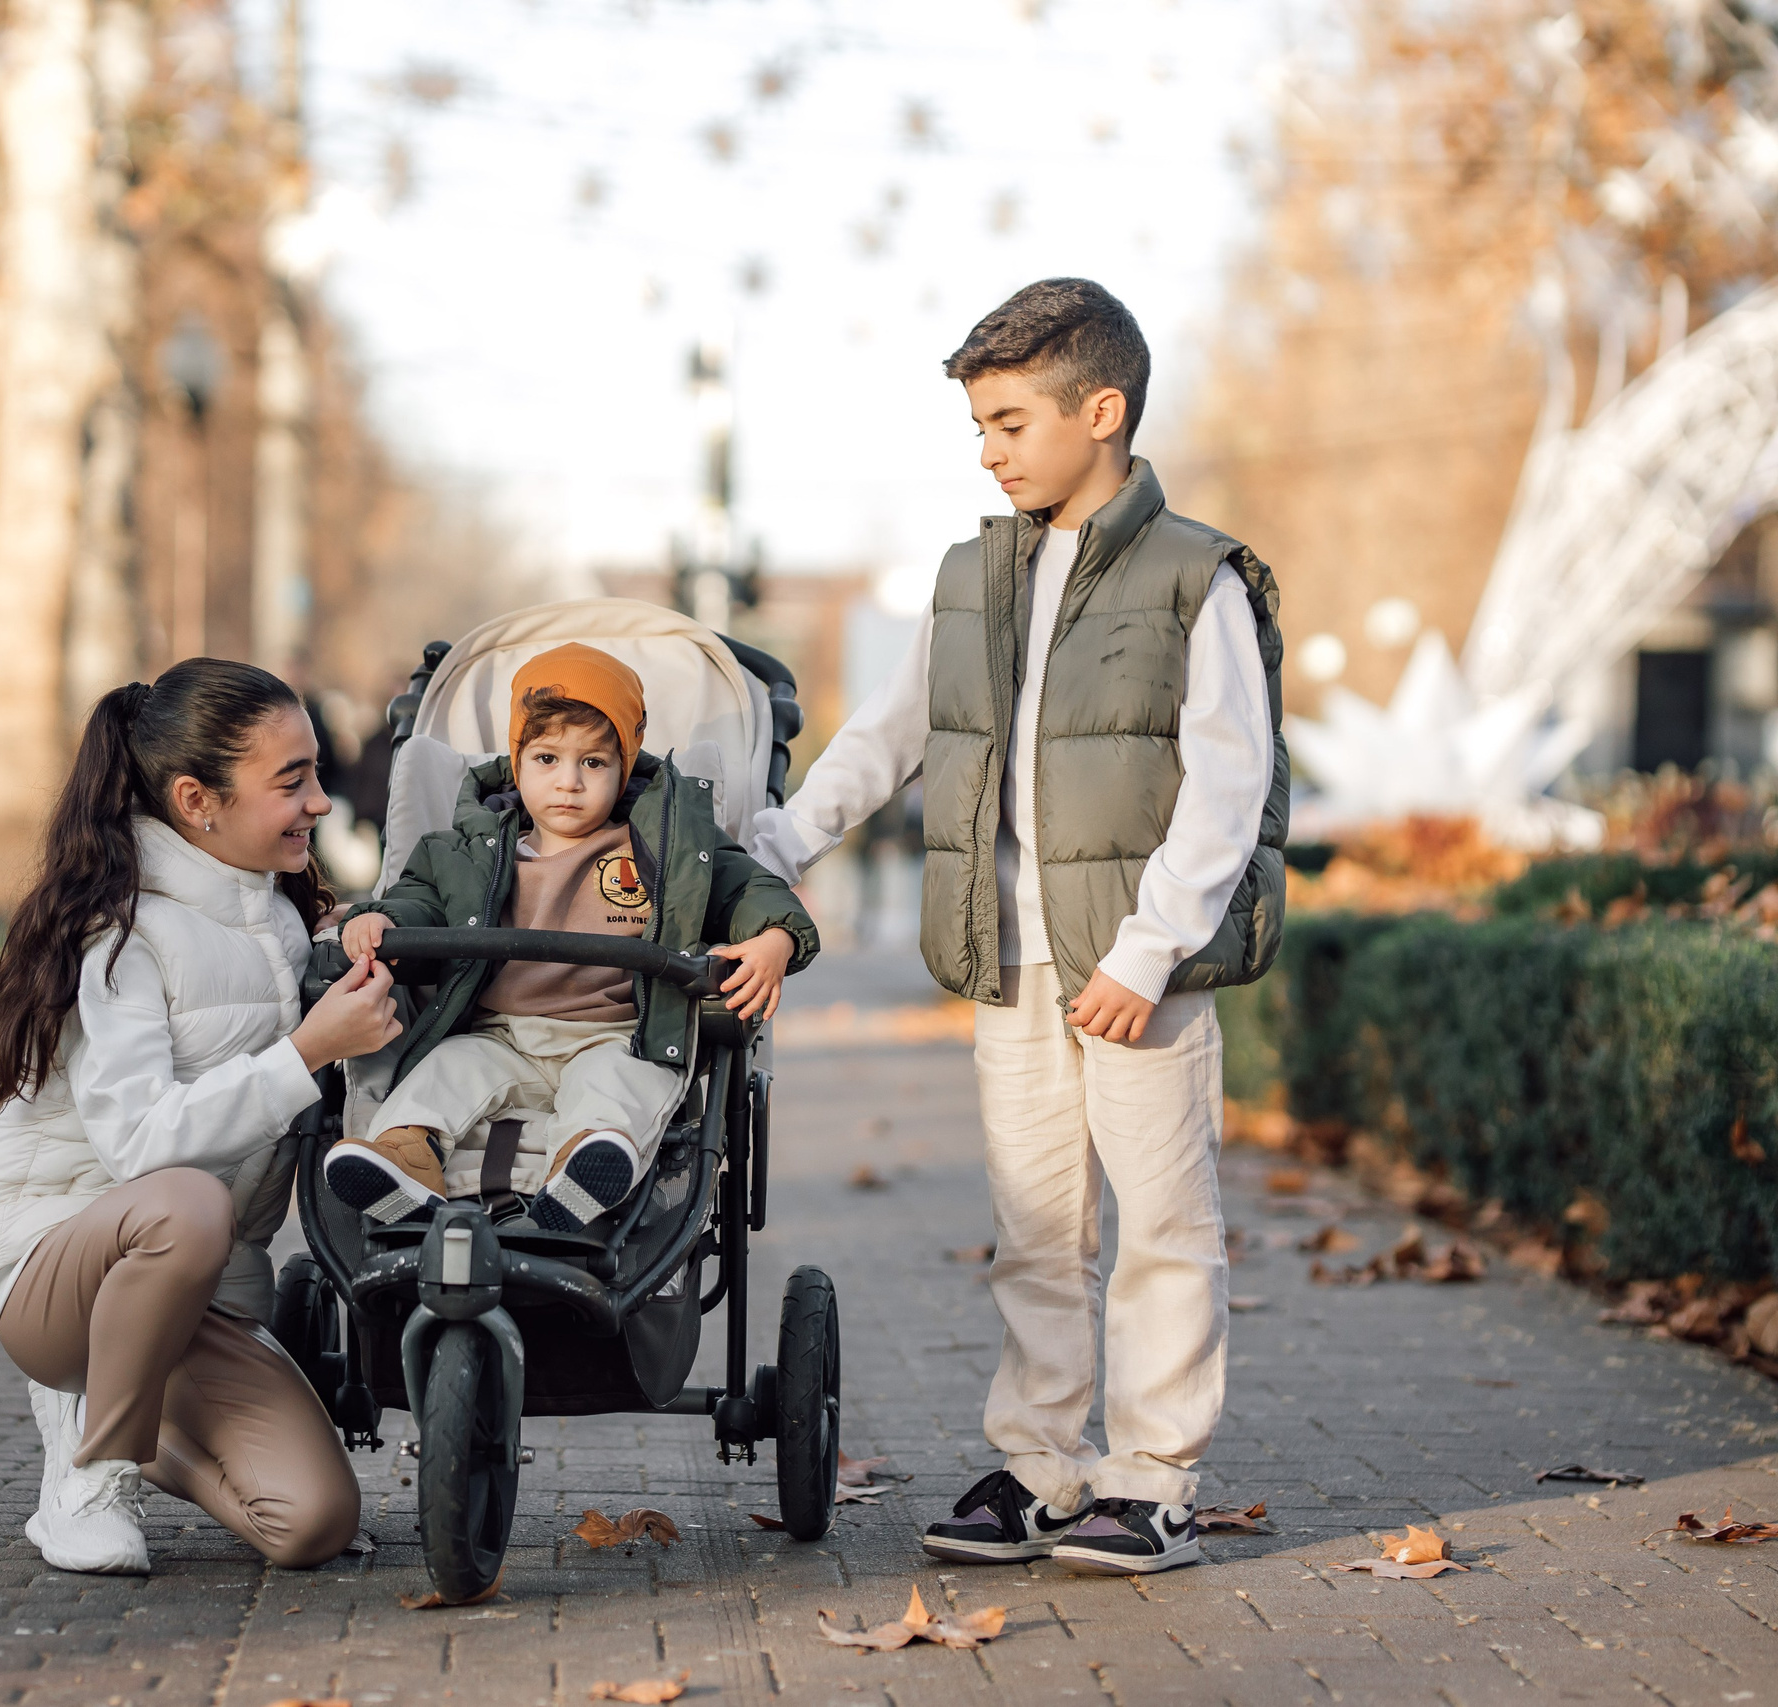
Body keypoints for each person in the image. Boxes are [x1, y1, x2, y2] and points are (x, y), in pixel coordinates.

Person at [747, 279, 1286, 1576]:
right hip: (1013, 956)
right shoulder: (973, 575)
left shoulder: (1191, 576)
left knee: (1160, 1222)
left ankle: (1151, 1476)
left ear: (1100, 412)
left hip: (1135, 965)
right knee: (1038, 1225)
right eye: (978, 426)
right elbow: (889, 734)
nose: (985, 450)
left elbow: (1229, 780)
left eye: (1006, 422)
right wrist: (773, 845)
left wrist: (1148, 948)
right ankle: (1044, 1464)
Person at [0, 658, 405, 1576]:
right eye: (292, 781)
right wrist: (307, 1051)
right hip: (53, 1267)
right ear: (198, 800)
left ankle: (120, 1413)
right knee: (186, 1201)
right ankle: (90, 1478)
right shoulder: (123, 935)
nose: (321, 801)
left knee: (311, 1522)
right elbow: (138, 1143)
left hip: (191, 1296)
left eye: (316, 773)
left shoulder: (280, 922)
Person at [324, 643, 818, 1234]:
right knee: (443, 1070)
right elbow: (419, 900)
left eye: (593, 763)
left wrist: (776, 939)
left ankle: (584, 1169)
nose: (568, 782)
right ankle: (403, 1157)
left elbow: (749, 889)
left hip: (613, 1033)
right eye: (547, 759)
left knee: (618, 1086)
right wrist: (384, 921)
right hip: (498, 1032)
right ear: (517, 759)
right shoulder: (464, 847)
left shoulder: (667, 845)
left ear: (625, 765)